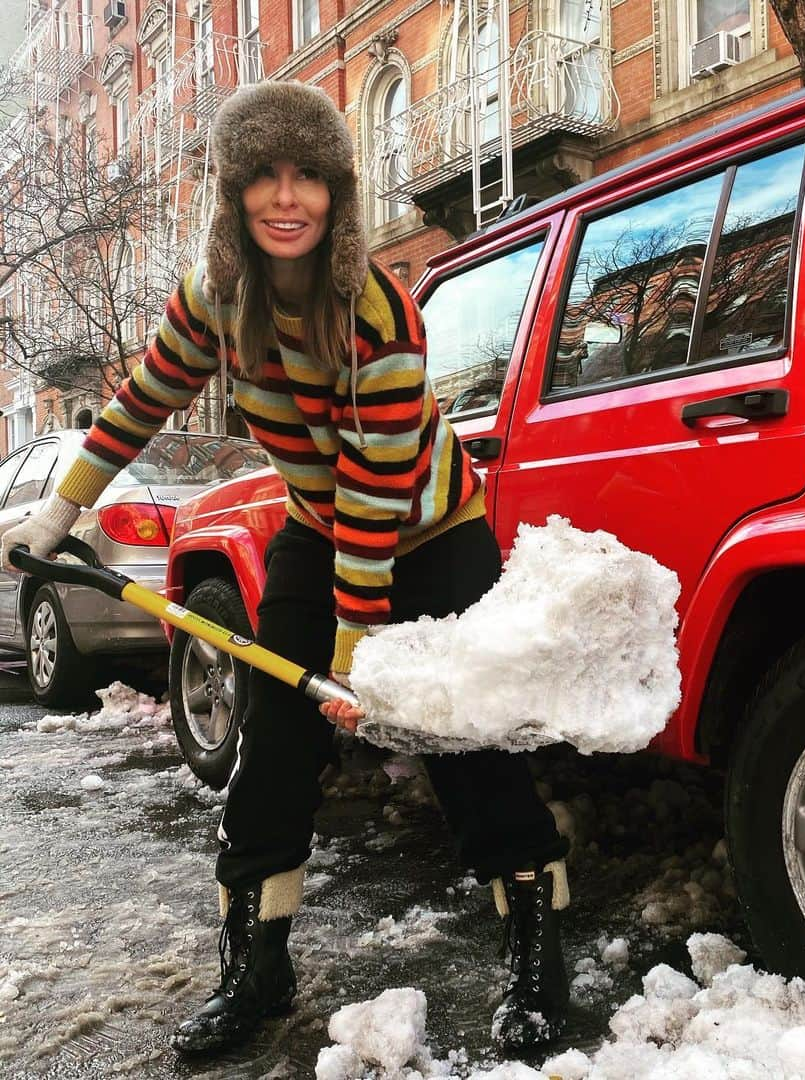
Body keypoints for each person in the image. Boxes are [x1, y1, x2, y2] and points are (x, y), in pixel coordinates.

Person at [1, 81, 570, 1057]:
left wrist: (355, 655)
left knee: (462, 739)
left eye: (308, 173)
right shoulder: (215, 302)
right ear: (234, 194)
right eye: (263, 175)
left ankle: (533, 941)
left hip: (429, 531)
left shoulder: (379, 316)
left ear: (338, 191)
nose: (286, 196)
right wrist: (61, 511)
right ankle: (256, 968)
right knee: (273, 746)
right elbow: (139, 402)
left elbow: (375, 489)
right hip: (317, 523)